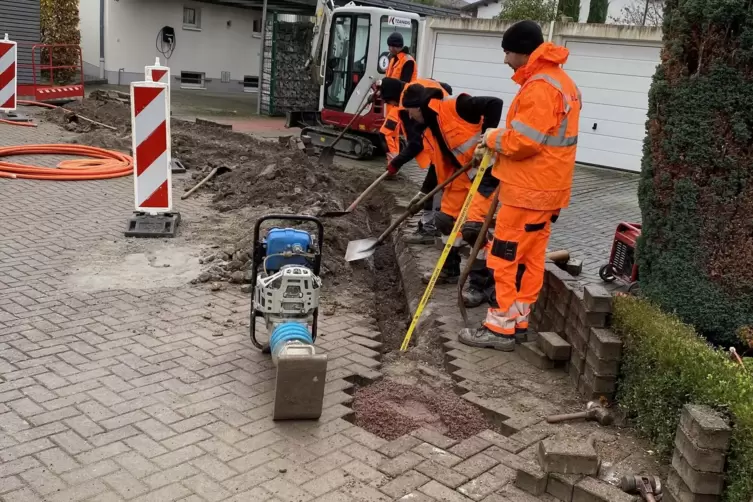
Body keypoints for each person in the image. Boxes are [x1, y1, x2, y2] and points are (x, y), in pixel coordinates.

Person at [459, 20, 582, 351]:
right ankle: (518, 323)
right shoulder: (561, 82)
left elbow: (525, 142)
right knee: (528, 261)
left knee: (505, 258)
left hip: (528, 191)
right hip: (545, 192)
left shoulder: (541, 87)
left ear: (522, 51)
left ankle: (498, 329)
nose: (505, 60)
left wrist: (492, 137)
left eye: (508, 52)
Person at [398, 83, 503, 303]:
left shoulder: (456, 106)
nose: (408, 114)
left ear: (419, 106)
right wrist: (422, 192)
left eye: (409, 109)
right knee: (445, 221)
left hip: (483, 176)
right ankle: (450, 270)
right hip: (458, 179)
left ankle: (480, 285)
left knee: (474, 230)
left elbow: (495, 104)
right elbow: (438, 165)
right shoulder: (428, 129)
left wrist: (486, 140)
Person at [379, 77, 452, 244]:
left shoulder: (409, 105)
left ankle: (429, 229)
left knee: (434, 189)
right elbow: (446, 86)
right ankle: (429, 225)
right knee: (432, 187)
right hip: (443, 140)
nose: (391, 105)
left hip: (446, 144)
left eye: (389, 101)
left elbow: (415, 144)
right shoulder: (416, 89)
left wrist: (395, 164)